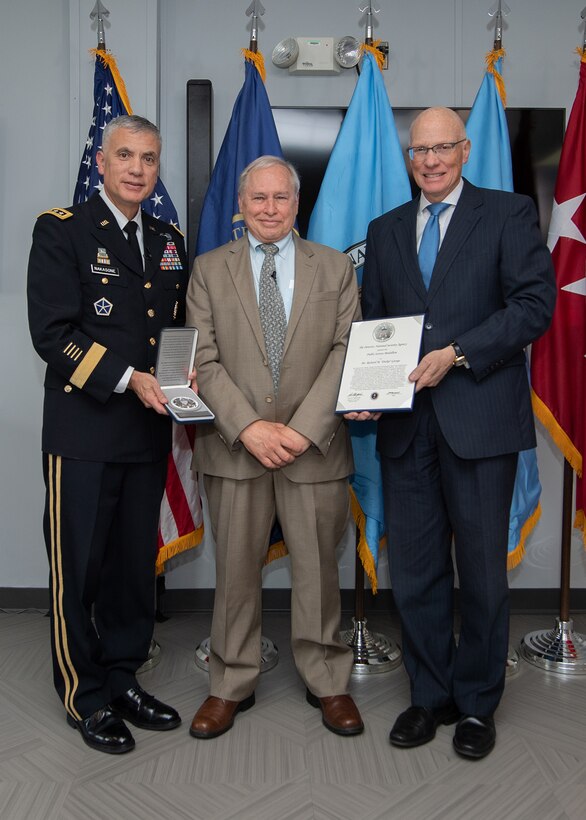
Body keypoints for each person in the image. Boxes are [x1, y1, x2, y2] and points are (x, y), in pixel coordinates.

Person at [354, 107, 556, 759]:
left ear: (465, 150)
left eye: (443, 148)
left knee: (482, 576)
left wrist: (460, 354)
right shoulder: (383, 231)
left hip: (480, 425)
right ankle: (430, 696)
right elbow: (376, 322)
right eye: (420, 151)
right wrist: (366, 392)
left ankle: (476, 705)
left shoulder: (508, 214)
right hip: (406, 431)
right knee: (413, 576)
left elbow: (533, 305)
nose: (431, 160)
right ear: (409, 158)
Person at [186, 155, 364, 739]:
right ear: (241, 206)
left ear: (297, 202)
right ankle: (230, 682)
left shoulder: (335, 267)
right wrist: (249, 428)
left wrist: (302, 428)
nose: (269, 209)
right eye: (258, 198)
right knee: (235, 571)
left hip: (312, 447)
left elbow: (345, 351)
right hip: (236, 447)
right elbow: (201, 360)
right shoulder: (210, 269)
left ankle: (328, 681)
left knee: (318, 569)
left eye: (280, 198)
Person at [27, 114, 188, 754]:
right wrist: (131, 379)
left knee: (130, 570)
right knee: (79, 570)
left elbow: (171, 331)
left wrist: (180, 373)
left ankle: (122, 678)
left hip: (146, 433)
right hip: (85, 432)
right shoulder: (61, 231)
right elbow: (54, 334)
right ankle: (83, 694)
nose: (137, 169)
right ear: (101, 160)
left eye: (149, 158)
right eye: (125, 155)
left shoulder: (169, 237)